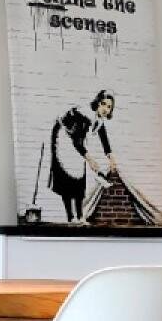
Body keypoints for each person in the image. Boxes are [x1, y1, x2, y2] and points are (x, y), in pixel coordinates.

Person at [48, 90, 117, 222]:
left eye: (109, 107)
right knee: (67, 178)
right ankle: (71, 217)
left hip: (75, 141)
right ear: (97, 103)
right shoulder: (84, 116)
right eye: (103, 104)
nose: (105, 109)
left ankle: (80, 217)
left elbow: (104, 138)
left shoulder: (98, 119)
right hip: (63, 139)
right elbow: (76, 142)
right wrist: (90, 160)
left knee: (79, 179)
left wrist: (111, 157)